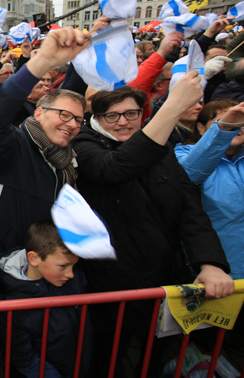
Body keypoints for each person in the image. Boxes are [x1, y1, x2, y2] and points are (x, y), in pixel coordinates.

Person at [73, 81, 233, 374]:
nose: (123, 121)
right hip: (110, 288)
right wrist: (172, 108)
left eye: (131, 113)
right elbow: (115, 167)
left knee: (159, 357)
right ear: (95, 118)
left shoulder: (162, 149)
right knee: (108, 360)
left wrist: (210, 263)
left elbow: (190, 211)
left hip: (165, 281)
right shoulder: (84, 146)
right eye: (112, 115)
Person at [0, 27, 90, 378]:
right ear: (38, 113)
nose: (71, 125)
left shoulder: (65, 162)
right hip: (1, 278)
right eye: (63, 116)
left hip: (46, 275)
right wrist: (40, 63)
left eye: (78, 120)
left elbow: (73, 94)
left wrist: (85, 52)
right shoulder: (14, 147)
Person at [0, 221, 90, 378]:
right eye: (63, 266)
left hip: (78, 366)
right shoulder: (11, 307)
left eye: (73, 266)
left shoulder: (73, 280)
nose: (71, 274)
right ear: (34, 259)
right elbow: (25, 359)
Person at [175, 100, 244, 280]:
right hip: (217, 269)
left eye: (240, 123)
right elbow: (190, 175)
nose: (237, 127)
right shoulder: (182, 154)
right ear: (202, 128)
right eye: (226, 121)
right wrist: (225, 130)